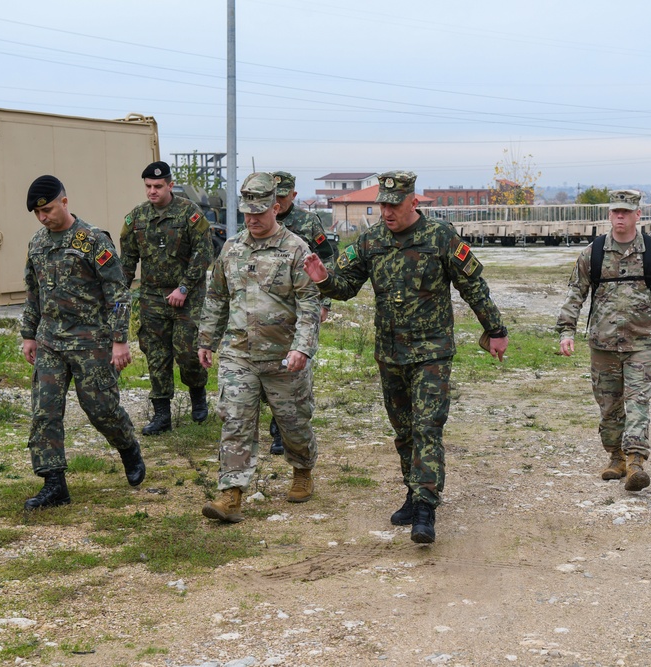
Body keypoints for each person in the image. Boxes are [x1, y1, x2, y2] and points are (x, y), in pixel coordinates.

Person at [303, 170, 508, 544]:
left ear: (413, 202)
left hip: (431, 351)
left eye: (393, 204)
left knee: (427, 425)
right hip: (390, 352)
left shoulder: (440, 238)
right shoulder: (371, 241)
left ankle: (426, 507)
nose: (386, 211)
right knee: (404, 429)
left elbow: (472, 285)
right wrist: (322, 279)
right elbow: (346, 286)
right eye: (382, 204)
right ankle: (413, 494)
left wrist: (495, 330)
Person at [198, 172, 321, 523]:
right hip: (240, 354)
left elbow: (310, 304)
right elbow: (217, 297)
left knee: (293, 424)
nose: (252, 219)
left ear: (276, 208)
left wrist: (302, 348)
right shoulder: (231, 249)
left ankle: (302, 469)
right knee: (235, 422)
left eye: (259, 212)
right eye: (247, 212)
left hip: (285, 357)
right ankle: (230, 495)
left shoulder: (296, 249)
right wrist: (206, 339)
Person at [19, 175, 145, 511]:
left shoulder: (92, 240)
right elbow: (34, 292)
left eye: (47, 209)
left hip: (90, 343)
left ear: (64, 201)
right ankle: (54, 484)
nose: (43, 217)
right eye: (37, 213)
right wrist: (28, 334)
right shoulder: (38, 244)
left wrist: (120, 340)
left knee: (100, 408)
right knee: (44, 412)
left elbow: (117, 293)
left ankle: (128, 447)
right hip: (50, 342)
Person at [556, 189, 651, 492]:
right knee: (609, 406)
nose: (620, 216)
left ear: (638, 215)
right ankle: (616, 457)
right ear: (610, 215)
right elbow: (576, 293)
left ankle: (636, 460)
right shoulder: (593, 253)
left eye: (626, 211)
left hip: (642, 343)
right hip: (603, 344)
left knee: (638, 402)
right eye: (616, 212)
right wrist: (566, 331)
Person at [120, 161, 213, 436]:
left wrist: (183, 288)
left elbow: (203, 252)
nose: (152, 191)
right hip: (152, 297)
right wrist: (119, 293)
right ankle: (162, 415)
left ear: (170, 185)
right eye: (148, 186)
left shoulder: (189, 213)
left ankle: (198, 395)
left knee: (187, 353)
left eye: (158, 186)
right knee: (156, 355)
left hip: (187, 296)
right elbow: (127, 260)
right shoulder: (136, 218)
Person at [262, 171, 336, 455]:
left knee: (292, 368)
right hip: (267, 305)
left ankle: (280, 429)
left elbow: (326, 258)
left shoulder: (307, 221)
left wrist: (325, 303)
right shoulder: (261, 220)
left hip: (300, 304)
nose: (278, 201)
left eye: (283, 196)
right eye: (274, 196)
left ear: (293, 195)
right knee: (268, 362)